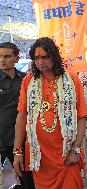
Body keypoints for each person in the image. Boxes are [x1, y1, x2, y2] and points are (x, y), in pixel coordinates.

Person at [13, 37, 87, 189]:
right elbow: (22, 116)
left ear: (54, 56)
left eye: (44, 57)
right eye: (36, 58)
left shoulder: (72, 80)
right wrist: (17, 152)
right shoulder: (28, 81)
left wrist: (75, 149)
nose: (40, 62)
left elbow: (81, 116)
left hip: (66, 154)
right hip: (39, 156)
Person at [0, 42, 35, 189]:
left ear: (16, 58)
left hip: (22, 140)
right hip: (1, 139)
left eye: (7, 56)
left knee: (27, 180)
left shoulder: (26, 79)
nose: (2, 60)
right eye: (0, 56)